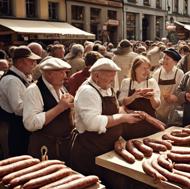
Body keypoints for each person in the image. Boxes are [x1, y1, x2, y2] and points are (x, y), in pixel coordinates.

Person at [70, 58, 143, 188]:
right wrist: (122, 118)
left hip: (107, 148)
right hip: (90, 149)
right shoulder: (88, 91)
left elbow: (114, 111)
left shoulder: (108, 88)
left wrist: (119, 135)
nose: (113, 80)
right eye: (110, 77)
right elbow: (92, 123)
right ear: (96, 75)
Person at [23, 57, 74, 162]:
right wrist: (60, 107)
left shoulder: (62, 88)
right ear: (49, 74)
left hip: (64, 147)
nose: (65, 76)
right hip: (45, 148)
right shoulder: (33, 90)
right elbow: (30, 124)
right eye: (61, 72)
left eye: (66, 72)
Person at [0, 46, 40, 157]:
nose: (34, 65)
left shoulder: (22, 77)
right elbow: (18, 108)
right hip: (14, 130)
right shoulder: (12, 80)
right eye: (31, 62)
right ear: (21, 62)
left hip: (20, 128)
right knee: (17, 160)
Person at [119, 55, 161, 138]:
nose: (147, 71)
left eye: (148, 68)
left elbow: (157, 105)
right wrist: (133, 97)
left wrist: (152, 98)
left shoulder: (151, 82)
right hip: (130, 125)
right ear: (135, 69)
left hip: (149, 124)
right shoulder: (127, 82)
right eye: (144, 68)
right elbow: (121, 102)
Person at [152, 48, 184, 123]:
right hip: (159, 108)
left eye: (167, 59)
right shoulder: (157, 73)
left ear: (175, 62)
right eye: (164, 58)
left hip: (173, 107)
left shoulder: (179, 73)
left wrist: (174, 97)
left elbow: (181, 89)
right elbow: (153, 90)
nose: (164, 61)